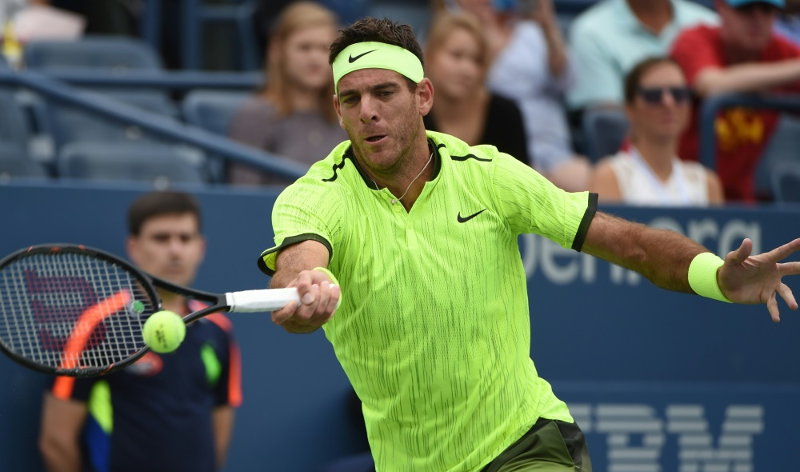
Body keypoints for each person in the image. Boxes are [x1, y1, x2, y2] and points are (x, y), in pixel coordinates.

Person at [257, 17, 800, 472]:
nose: (367, 110)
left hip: (524, 441)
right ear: (337, 109)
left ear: (423, 97)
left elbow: (628, 243)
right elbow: (300, 267)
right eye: (351, 98)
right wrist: (307, 291)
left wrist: (717, 277)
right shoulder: (312, 197)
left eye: (384, 92)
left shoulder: (491, 175)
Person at [38, 191, 242, 472]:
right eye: (161, 238)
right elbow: (56, 440)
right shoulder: (98, 326)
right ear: (133, 246)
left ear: (200, 247)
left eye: (185, 238)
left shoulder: (219, 330)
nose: (174, 250)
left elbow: (220, 421)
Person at [436, 0, 591, 191]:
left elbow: (567, 82)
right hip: (498, 151)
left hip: (551, 151)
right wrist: (489, 41)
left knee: (588, 184)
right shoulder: (451, 34)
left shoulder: (533, 33)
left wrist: (547, 25)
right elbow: (463, 91)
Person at [671, 0, 800, 202]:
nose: (757, 19)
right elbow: (710, 84)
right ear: (721, 8)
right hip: (671, 191)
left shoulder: (781, 52)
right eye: (746, 9)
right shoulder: (695, 38)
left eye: (767, 10)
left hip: (738, 201)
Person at [227, 1, 347, 185]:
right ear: (276, 50)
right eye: (304, 47)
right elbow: (244, 193)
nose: (315, 58)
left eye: (324, 48)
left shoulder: (346, 114)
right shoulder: (255, 115)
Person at [589, 56, 725, 205]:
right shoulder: (610, 176)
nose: (668, 102)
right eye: (653, 95)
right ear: (630, 109)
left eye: (678, 93)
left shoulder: (706, 182)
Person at [568, 0, 717, 112]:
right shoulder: (591, 32)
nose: (667, 103)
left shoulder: (711, 23)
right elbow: (609, 125)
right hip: (633, 150)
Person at [422, 11, 529, 165]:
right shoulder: (410, 113)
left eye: (477, 60)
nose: (468, 69)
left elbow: (521, 182)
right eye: (456, 55)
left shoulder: (506, 114)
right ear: (430, 55)